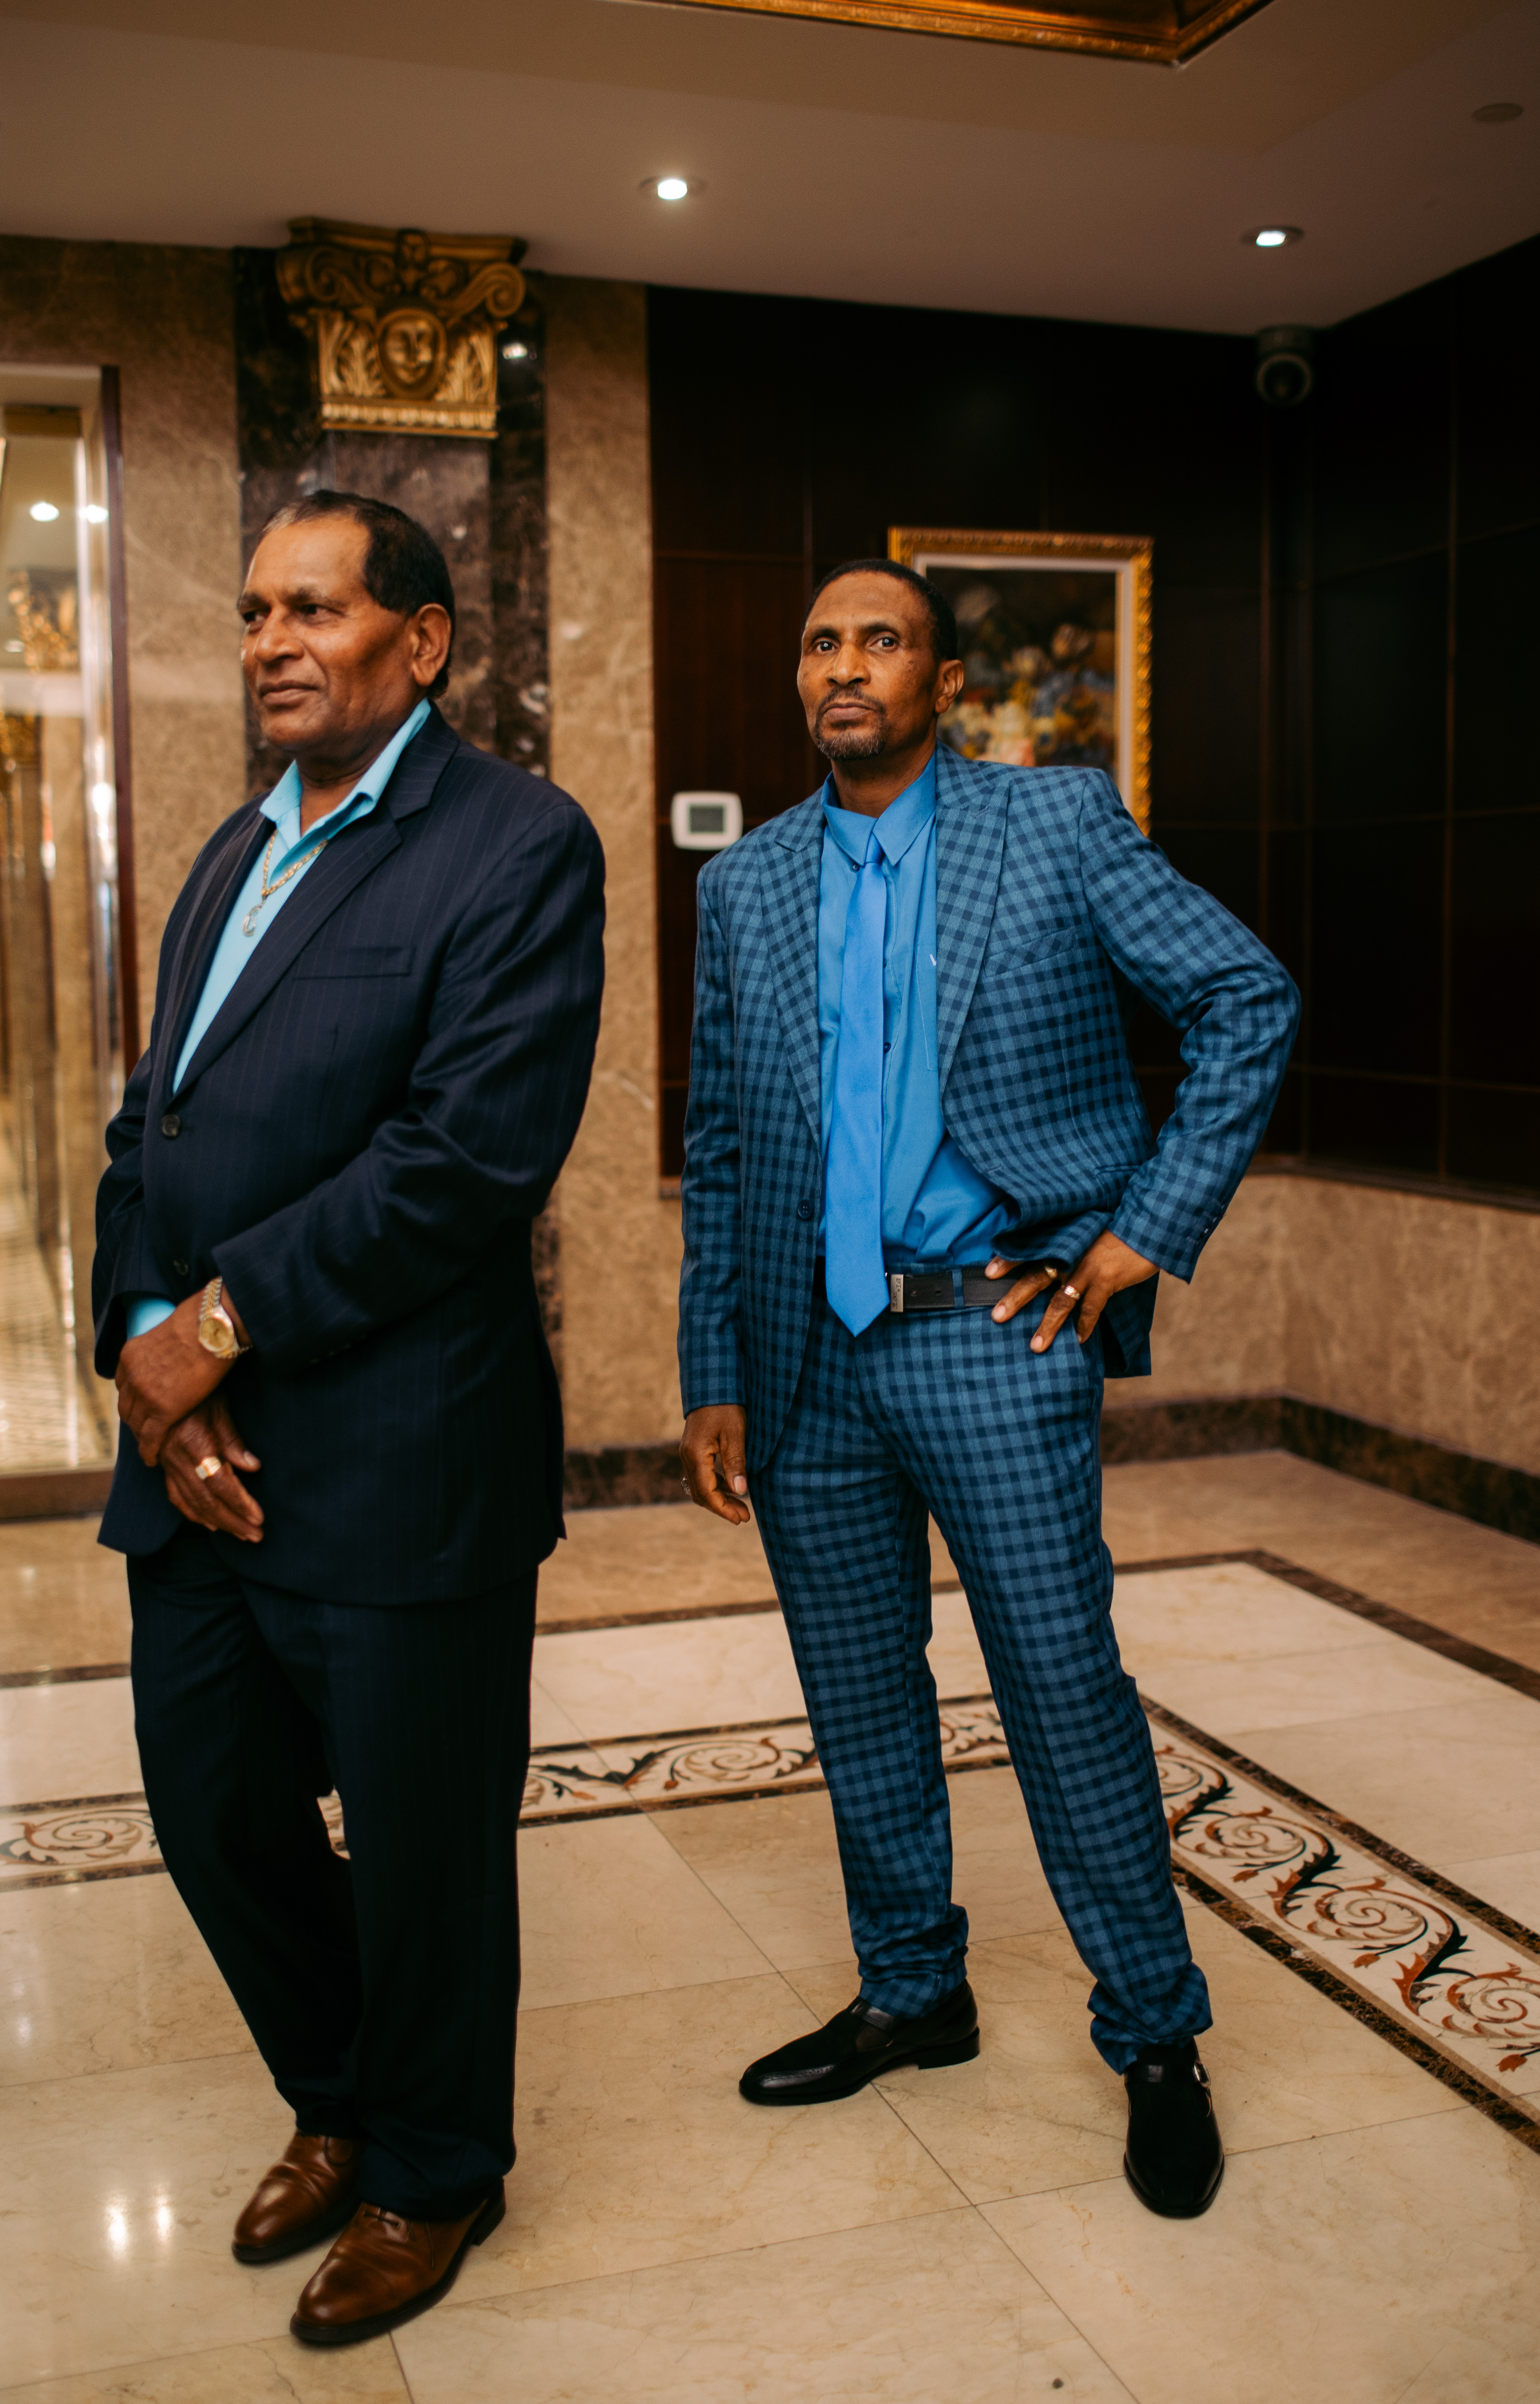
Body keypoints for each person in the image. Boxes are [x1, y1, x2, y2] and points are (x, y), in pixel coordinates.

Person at [677, 557, 1297, 2219]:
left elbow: (1246, 996)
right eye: (819, 641)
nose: (843, 665)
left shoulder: (1053, 825)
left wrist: (1142, 1233)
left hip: (992, 1334)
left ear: (940, 682)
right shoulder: (746, 884)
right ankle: (911, 1991)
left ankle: (1153, 2035)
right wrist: (713, 1365)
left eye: (879, 640)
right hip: (805, 1357)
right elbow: (720, 1141)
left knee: (1058, 1687)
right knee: (857, 1688)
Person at [93, 490, 604, 2343]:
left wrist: (215, 1328)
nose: (271, 643)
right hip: (201, 1458)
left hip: (403, 1452)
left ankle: (433, 2166)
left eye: (311, 608)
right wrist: (148, 1348)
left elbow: (464, 1160)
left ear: (424, 639)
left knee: (423, 1842)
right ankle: (338, 2095)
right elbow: (148, 1129)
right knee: (211, 1802)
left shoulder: (518, 843)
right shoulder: (232, 852)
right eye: (253, 612)